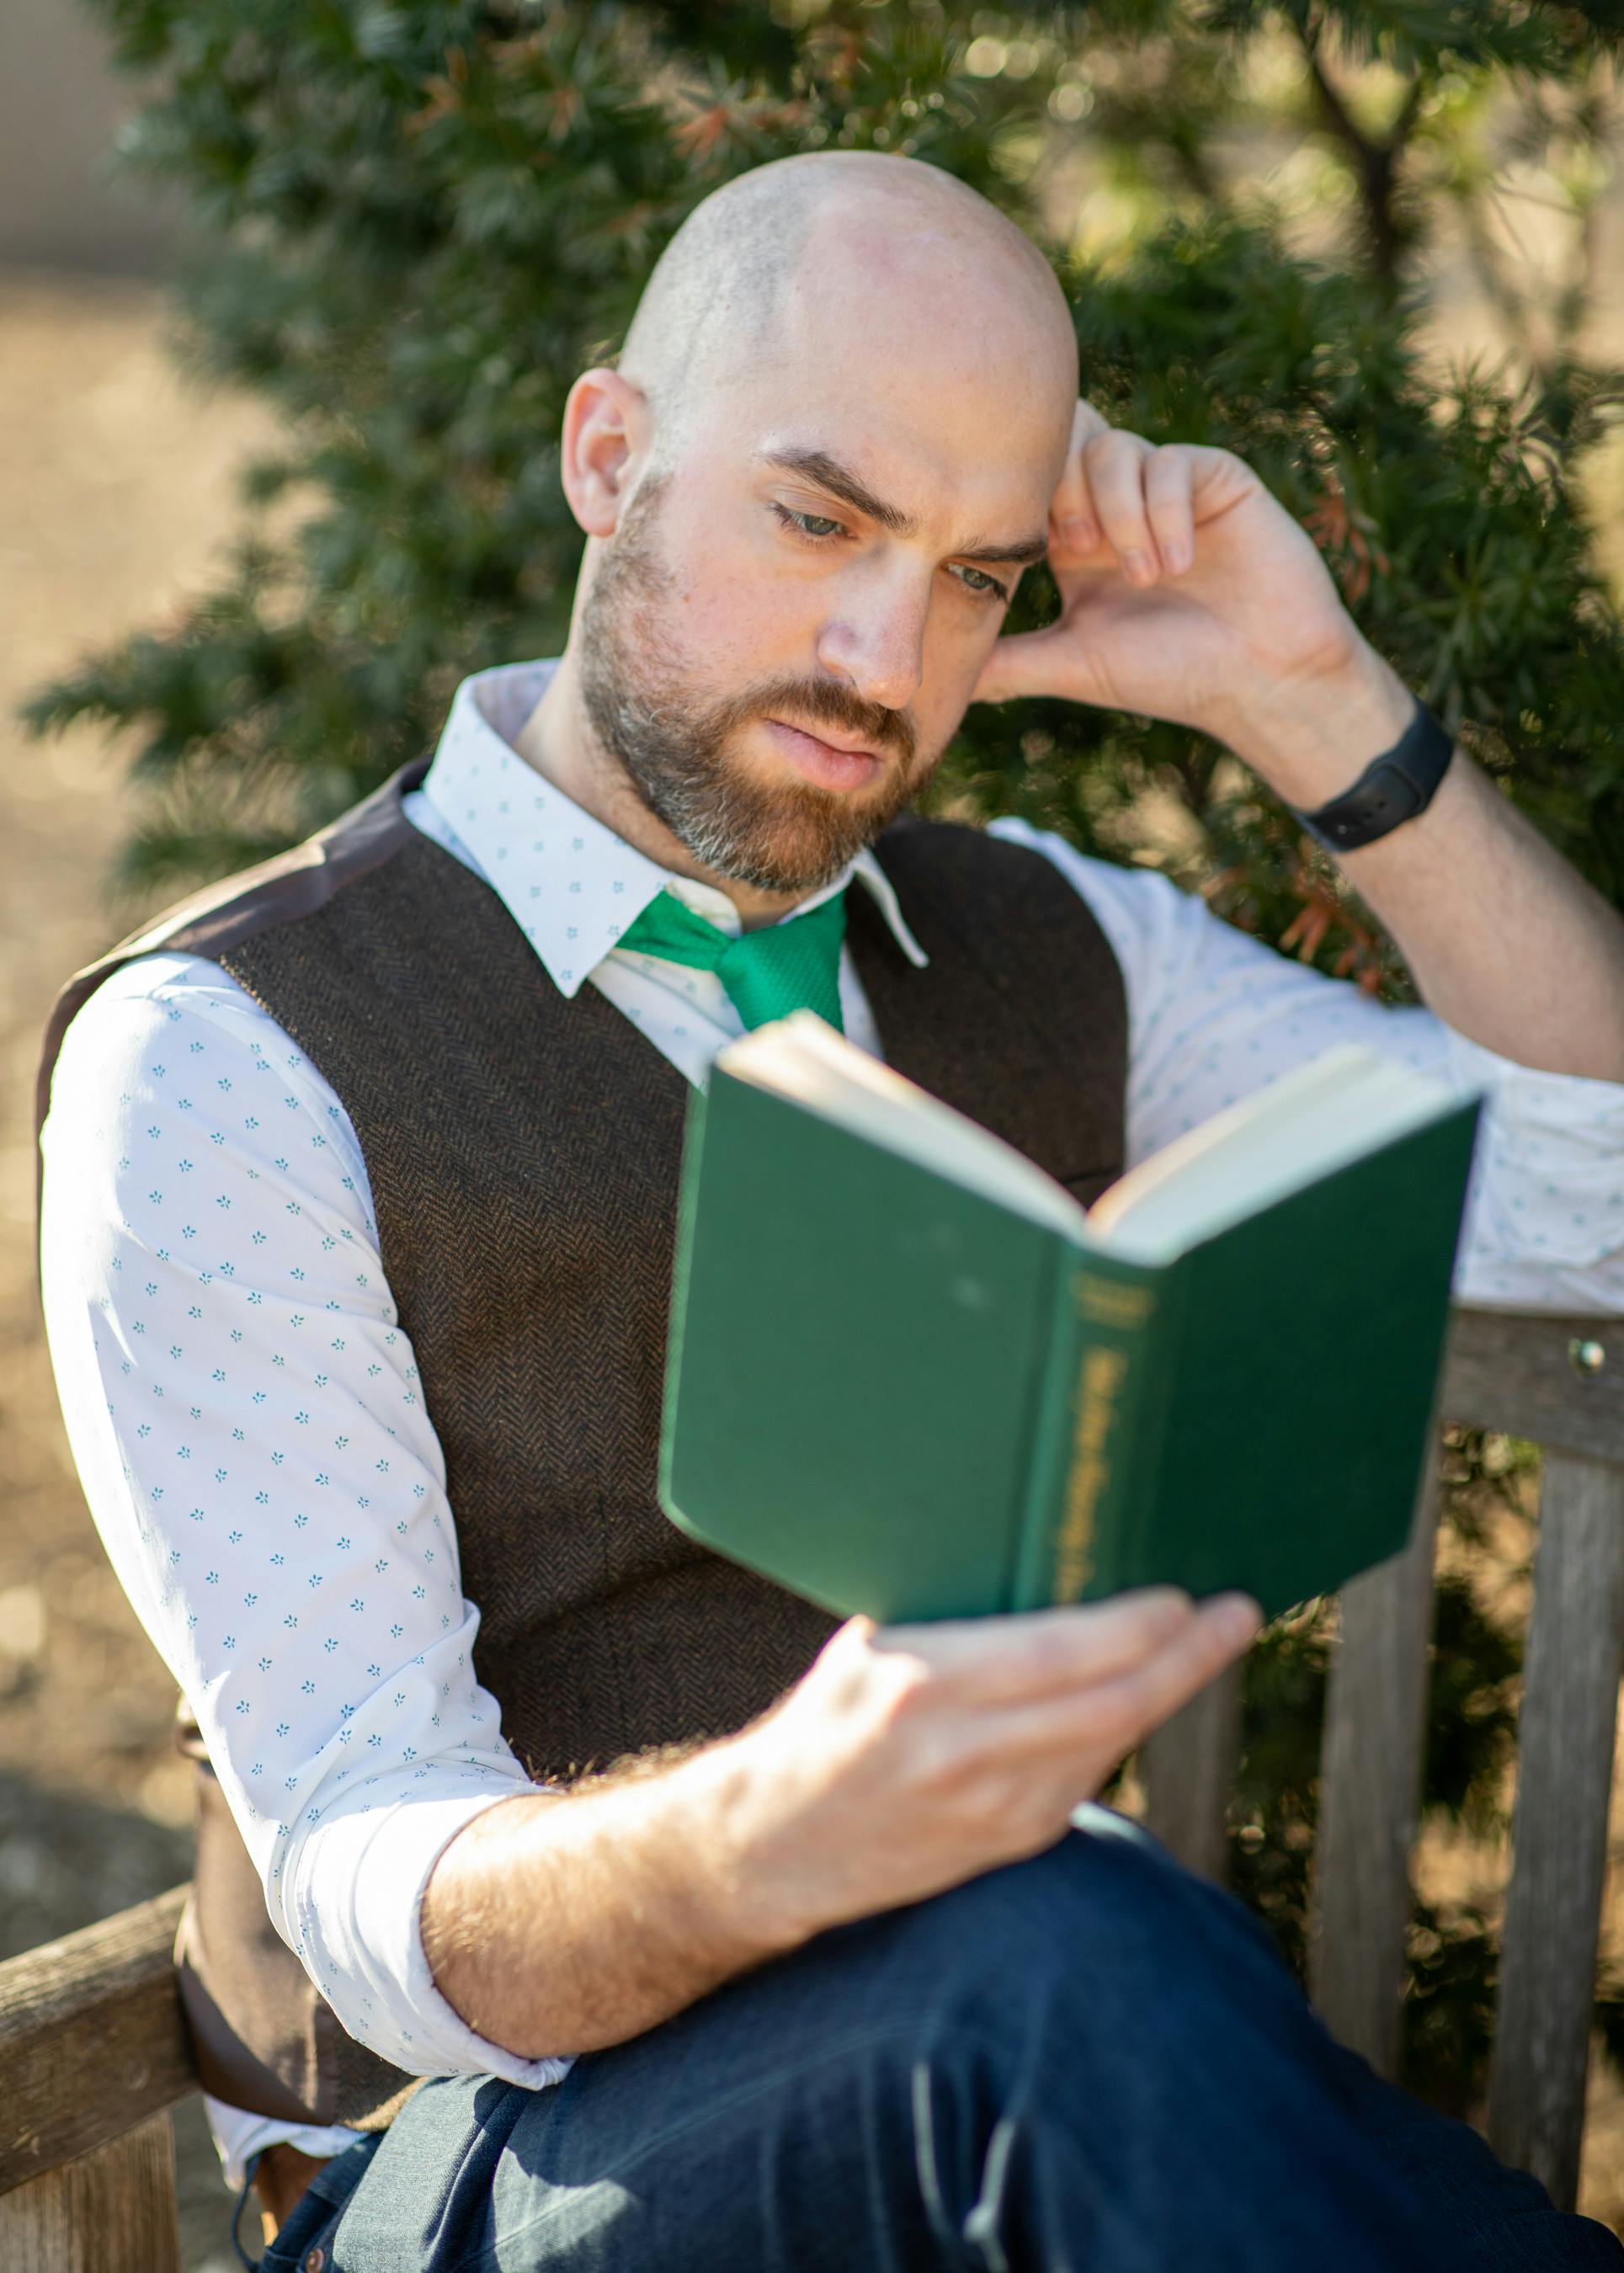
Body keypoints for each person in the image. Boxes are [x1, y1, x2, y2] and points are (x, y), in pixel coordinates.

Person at [36, 151, 1624, 2271]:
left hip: (1015, 2085)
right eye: (818, 518)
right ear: (612, 458)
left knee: (1086, 1973)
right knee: (1063, 1946)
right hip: (482, 2166)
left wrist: (1308, 700)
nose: (886, 655)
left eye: (976, 574)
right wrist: (785, 1833)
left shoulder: (1045, 944)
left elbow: (1587, 1204)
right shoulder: (228, 1051)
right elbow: (369, 1886)